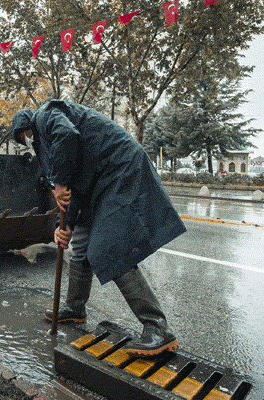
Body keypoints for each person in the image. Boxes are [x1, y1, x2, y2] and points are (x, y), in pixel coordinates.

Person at [12, 100, 186, 357]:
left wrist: (59, 182)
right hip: (97, 184)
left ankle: (158, 328)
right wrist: (66, 226)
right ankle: (75, 308)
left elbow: (67, 135)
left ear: (26, 127)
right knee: (80, 244)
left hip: (120, 170)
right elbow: (74, 189)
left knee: (108, 248)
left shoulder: (46, 115)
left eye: (23, 136)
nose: (26, 141)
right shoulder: (55, 145)